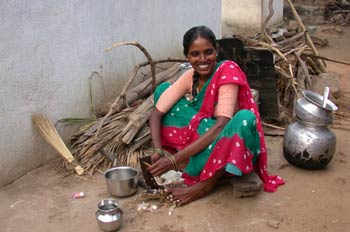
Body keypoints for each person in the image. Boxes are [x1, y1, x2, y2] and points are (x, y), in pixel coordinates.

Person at [148, 25, 284, 206]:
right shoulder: (190, 76)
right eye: (195, 54)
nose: (202, 59)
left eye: (208, 52)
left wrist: (174, 160)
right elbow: (156, 114)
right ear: (187, 56)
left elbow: (220, 126)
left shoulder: (227, 71)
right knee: (162, 91)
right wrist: (158, 150)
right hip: (204, 136)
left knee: (245, 118)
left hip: (229, 143)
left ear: (216, 52)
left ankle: (204, 184)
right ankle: (193, 159)